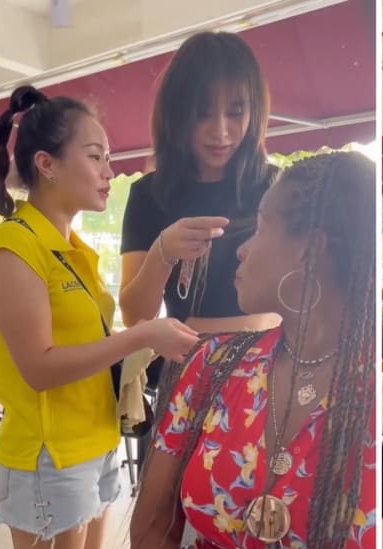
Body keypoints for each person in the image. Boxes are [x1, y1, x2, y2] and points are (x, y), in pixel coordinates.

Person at [0, 85, 199, 549]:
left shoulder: (73, 249)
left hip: (94, 444)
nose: (108, 170)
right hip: (48, 457)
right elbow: (38, 368)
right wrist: (142, 337)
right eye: (95, 156)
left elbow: (94, 347)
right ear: (46, 164)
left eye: (109, 158)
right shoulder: (13, 246)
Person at [130, 152, 376, 549]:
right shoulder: (212, 365)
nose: (242, 249)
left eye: (261, 227)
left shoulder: (371, 394)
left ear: (311, 248)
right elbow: (149, 533)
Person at [119, 32, 280, 341]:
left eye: (235, 112)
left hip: (270, 368)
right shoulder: (148, 196)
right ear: (177, 115)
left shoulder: (277, 188)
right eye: (203, 113)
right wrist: (161, 252)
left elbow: (301, 297)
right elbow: (134, 318)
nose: (220, 131)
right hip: (189, 372)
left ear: (254, 111)